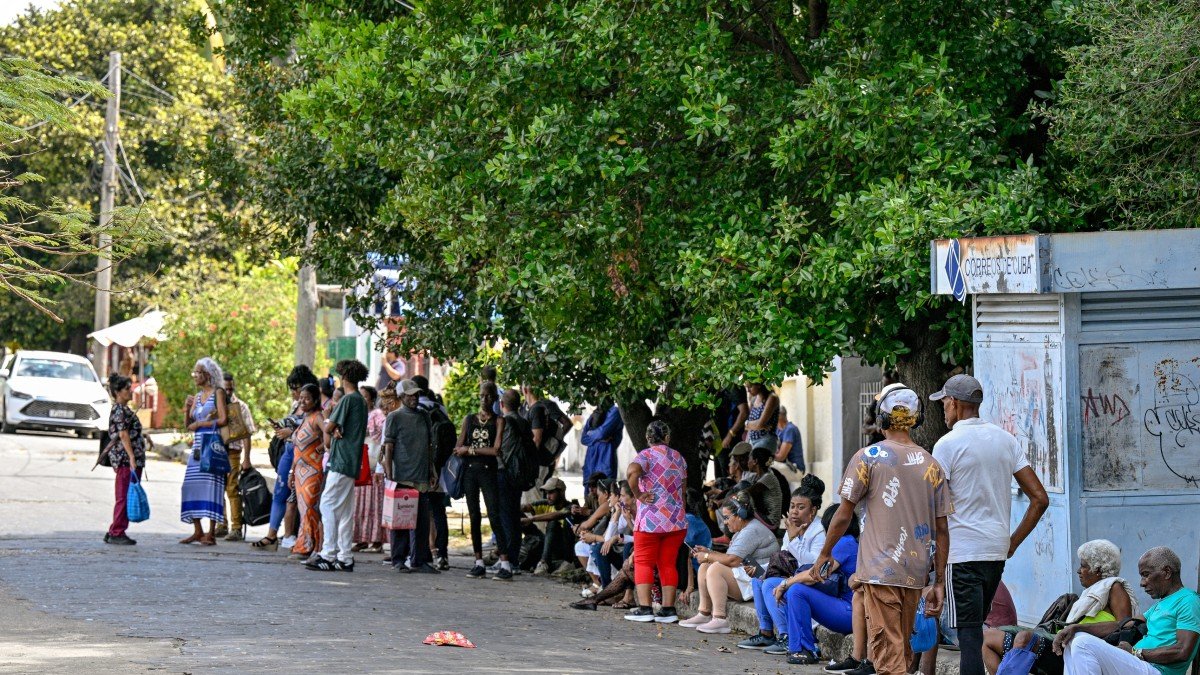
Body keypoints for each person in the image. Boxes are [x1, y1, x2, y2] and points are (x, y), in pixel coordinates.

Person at [813, 384, 952, 675]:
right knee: (901, 652)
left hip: (880, 572)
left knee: (889, 659)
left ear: (882, 418)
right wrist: (938, 581)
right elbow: (942, 530)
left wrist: (825, 552)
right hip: (915, 574)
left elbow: (843, 514)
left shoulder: (868, 457)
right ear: (917, 418)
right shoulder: (931, 465)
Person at [930, 374, 1050, 675]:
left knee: (969, 638)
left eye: (944, 403)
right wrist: (1012, 542)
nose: (944, 410)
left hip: (962, 554)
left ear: (955, 403)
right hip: (995, 552)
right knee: (975, 631)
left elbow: (934, 507)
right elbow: (1040, 499)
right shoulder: (1006, 440)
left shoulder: (946, 445)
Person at [983, 539, 1138, 675]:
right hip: (1062, 643)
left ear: (1097, 570)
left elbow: (1125, 625)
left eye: (1083, 566)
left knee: (1025, 638)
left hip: (1077, 651)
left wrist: (1079, 628)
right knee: (988, 637)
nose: (1078, 571)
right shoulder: (1092, 592)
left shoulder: (1114, 587)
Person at [1056, 546, 1200, 675]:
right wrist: (1075, 627)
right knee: (1073, 638)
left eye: (1146, 574)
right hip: (1139, 665)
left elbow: (1183, 651)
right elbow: (1124, 624)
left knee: (1083, 643)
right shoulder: (1160, 604)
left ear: (1167, 572)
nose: (1142, 583)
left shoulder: (1188, 601)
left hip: (1158, 670)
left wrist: (1136, 653)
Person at [740, 475, 827, 653]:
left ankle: (787, 636)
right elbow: (786, 560)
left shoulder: (819, 530)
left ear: (813, 510)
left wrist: (794, 538)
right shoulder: (792, 528)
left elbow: (812, 564)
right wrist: (760, 569)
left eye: (801, 508)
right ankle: (766, 632)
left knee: (771, 583)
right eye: (792, 506)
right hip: (793, 576)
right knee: (758, 578)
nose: (794, 512)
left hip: (811, 583)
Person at [681, 492, 780, 634]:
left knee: (715, 569)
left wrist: (709, 555)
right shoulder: (744, 529)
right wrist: (709, 552)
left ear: (741, 515)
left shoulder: (752, 530)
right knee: (705, 566)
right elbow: (730, 557)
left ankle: (720, 619)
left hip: (759, 582)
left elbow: (733, 560)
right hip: (748, 577)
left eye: (727, 518)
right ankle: (704, 613)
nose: (725, 522)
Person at [622, 419, 689, 624]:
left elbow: (632, 472)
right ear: (667, 438)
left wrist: (638, 495)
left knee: (643, 562)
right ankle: (668, 610)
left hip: (650, 520)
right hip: (676, 520)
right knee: (667, 563)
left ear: (647, 438)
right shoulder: (679, 458)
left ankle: (645, 608)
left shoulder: (646, 456)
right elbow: (683, 490)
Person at [778, 504, 861, 664]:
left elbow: (815, 575)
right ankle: (801, 646)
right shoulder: (846, 542)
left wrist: (786, 583)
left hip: (850, 612)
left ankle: (805, 649)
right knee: (795, 589)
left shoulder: (844, 543)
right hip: (845, 607)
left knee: (797, 591)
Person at [308, 359, 369, 572]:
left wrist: (326, 419)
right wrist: (333, 429)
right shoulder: (361, 401)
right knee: (345, 510)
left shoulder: (347, 400)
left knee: (327, 504)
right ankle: (345, 556)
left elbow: (330, 426)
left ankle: (328, 553)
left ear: (343, 378)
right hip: (352, 461)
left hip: (340, 460)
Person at [253, 365, 317, 550]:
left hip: (303, 454)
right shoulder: (296, 405)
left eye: (295, 388)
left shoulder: (313, 407)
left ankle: (293, 536)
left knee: (296, 498)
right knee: (281, 493)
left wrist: (292, 431)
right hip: (288, 451)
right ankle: (273, 534)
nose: (293, 393)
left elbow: (312, 428)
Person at [382, 379, 439, 574]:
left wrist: (432, 471)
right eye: (410, 395)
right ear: (401, 396)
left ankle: (419, 559)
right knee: (400, 521)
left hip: (421, 475)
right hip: (402, 475)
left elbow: (429, 446)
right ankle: (398, 559)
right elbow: (388, 446)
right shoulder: (394, 417)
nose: (414, 398)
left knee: (422, 522)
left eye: (416, 395)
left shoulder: (424, 416)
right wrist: (389, 472)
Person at [459, 383, 509, 579]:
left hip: (489, 471)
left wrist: (470, 450)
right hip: (471, 473)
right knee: (474, 516)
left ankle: (505, 563)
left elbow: (495, 450)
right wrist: (470, 450)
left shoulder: (499, 421)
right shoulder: (469, 419)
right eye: (481, 396)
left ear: (495, 399)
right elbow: (458, 447)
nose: (484, 400)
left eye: (488, 397)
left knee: (494, 514)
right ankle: (478, 560)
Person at [180, 357, 229, 546]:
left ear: (207, 375)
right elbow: (188, 425)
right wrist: (186, 410)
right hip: (198, 445)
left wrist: (202, 423)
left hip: (212, 442)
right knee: (190, 486)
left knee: (212, 486)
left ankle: (211, 532)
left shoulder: (218, 393)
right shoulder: (197, 396)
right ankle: (197, 530)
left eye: (198, 372)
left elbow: (223, 419)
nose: (195, 376)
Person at [104, 373, 146, 546]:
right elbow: (122, 434)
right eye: (127, 389)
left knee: (125, 494)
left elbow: (130, 431)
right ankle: (117, 531)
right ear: (118, 392)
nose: (131, 391)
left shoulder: (125, 410)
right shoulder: (119, 410)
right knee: (124, 496)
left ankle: (114, 528)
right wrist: (131, 457)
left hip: (129, 459)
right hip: (124, 460)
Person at [492, 387, 528, 580]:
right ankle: (512, 558)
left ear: (501, 404)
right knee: (514, 516)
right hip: (519, 473)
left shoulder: (505, 423)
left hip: (504, 472)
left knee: (505, 517)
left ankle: (508, 560)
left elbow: (500, 450)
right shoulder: (523, 421)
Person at [288, 383, 325, 561]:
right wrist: (291, 472)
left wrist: (321, 448)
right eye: (301, 398)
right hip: (299, 471)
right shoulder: (304, 418)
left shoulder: (318, 417)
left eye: (307, 399)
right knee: (304, 510)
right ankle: (304, 545)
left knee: (310, 508)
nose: (302, 401)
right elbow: (297, 449)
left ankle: (312, 546)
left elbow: (330, 435)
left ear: (315, 400)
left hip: (313, 470)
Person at [218, 373, 256, 542]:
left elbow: (247, 434)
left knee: (232, 489)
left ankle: (236, 527)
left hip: (233, 452)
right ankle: (221, 524)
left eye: (230, 388)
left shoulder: (240, 406)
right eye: (225, 389)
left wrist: (246, 458)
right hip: (216, 452)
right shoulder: (215, 405)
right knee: (218, 488)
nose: (228, 391)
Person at [352, 385, 386, 553]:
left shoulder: (377, 415)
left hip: (373, 466)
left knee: (374, 505)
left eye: (365, 397)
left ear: (372, 399)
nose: (362, 400)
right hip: (361, 466)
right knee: (360, 504)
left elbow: (382, 435)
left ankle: (377, 540)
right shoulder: (358, 415)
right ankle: (362, 538)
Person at [525, 476, 576, 575]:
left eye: (551, 492)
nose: (548, 496)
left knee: (553, 523)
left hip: (564, 550)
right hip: (548, 546)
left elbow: (558, 515)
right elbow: (525, 507)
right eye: (547, 493)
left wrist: (531, 519)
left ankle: (544, 562)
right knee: (514, 516)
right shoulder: (547, 503)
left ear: (561, 492)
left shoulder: (571, 508)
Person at [581, 402, 623, 485]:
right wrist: (599, 438)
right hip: (590, 462)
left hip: (605, 460)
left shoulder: (614, 412)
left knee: (605, 490)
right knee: (589, 492)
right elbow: (584, 439)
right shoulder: (596, 413)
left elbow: (602, 433)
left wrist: (591, 434)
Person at [715, 385, 750, 479]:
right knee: (720, 477)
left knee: (728, 476)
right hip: (718, 441)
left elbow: (744, 412)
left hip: (728, 442)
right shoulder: (719, 386)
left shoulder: (734, 387)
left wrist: (730, 434)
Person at [744, 382, 780, 452]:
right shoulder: (753, 398)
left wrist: (748, 424)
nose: (748, 390)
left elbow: (759, 424)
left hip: (765, 440)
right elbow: (745, 425)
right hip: (751, 440)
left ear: (759, 385)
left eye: (750, 386)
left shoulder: (772, 397)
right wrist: (749, 424)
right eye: (747, 387)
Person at [774, 406, 804, 477]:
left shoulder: (790, 429)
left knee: (769, 467)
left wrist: (766, 457)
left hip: (796, 469)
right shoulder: (778, 430)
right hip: (785, 466)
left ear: (779, 416)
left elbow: (781, 456)